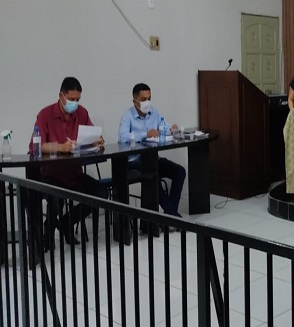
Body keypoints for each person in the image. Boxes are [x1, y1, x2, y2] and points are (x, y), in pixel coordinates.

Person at [32, 77, 107, 246]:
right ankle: (47, 235)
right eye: (72, 99)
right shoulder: (45, 114)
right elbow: (36, 146)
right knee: (56, 200)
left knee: (100, 193)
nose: (75, 104)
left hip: (74, 174)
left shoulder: (82, 113)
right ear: (61, 95)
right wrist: (60, 147)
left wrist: (97, 140)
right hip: (51, 176)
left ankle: (67, 222)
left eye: (78, 100)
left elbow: (92, 135)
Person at [118, 83, 186, 218]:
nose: (147, 102)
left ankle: (169, 215)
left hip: (152, 159)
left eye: (149, 98)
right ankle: (173, 216)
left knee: (179, 172)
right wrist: (145, 134)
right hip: (134, 161)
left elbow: (164, 127)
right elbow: (122, 137)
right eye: (143, 99)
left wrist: (172, 129)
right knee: (152, 173)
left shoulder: (154, 112)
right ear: (134, 101)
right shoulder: (127, 116)